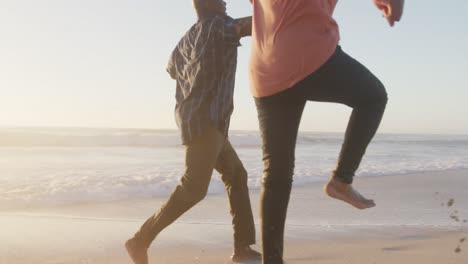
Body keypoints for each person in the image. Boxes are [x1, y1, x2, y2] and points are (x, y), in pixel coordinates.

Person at [248, 0, 405, 263]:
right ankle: (342, 180)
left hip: (265, 68)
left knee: (276, 172)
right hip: (307, 52)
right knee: (373, 97)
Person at [125, 1, 260, 263]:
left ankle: (242, 248)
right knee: (194, 187)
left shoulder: (188, 37)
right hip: (206, 122)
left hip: (205, 121)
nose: (225, 2)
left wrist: (195, 75)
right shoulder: (218, 27)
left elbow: (171, 68)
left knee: (237, 174)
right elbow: (255, 24)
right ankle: (140, 240)